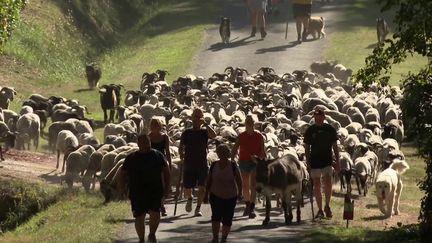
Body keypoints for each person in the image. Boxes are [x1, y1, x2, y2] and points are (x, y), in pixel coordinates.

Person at [121, 134, 170, 243]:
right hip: (137, 191)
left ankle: (152, 234)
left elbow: (166, 172)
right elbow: (122, 174)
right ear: (138, 144)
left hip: (155, 189)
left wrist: (167, 188)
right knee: (139, 216)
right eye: (142, 142)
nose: (145, 144)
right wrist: (122, 189)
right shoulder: (131, 158)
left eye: (147, 141)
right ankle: (141, 239)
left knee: (155, 213)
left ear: (150, 142)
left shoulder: (158, 155)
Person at [179, 108, 217, 216]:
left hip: (202, 162)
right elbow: (181, 146)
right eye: (195, 117)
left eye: (199, 117)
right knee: (187, 186)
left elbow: (214, 135)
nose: (197, 119)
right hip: (189, 161)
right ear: (192, 118)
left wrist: (205, 124)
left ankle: (198, 208)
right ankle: (190, 198)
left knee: (202, 186)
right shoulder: (187, 132)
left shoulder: (205, 132)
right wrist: (181, 153)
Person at [304, 108, 340, 219]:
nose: (318, 119)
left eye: (320, 117)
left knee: (328, 182)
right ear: (314, 118)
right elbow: (307, 147)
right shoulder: (310, 130)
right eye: (316, 117)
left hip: (327, 160)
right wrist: (308, 162)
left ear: (324, 118)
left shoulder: (330, 129)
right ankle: (320, 209)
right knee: (317, 184)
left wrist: (338, 161)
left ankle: (327, 206)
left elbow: (335, 146)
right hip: (315, 161)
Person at [204, 144, 243, 243]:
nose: (222, 154)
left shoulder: (233, 165)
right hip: (215, 194)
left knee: (227, 219)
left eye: (224, 152)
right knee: (216, 217)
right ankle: (215, 238)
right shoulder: (214, 165)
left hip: (230, 196)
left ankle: (224, 238)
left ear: (227, 153)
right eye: (220, 152)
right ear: (217, 154)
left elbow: (239, 180)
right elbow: (209, 180)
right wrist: (205, 194)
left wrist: (240, 193)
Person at [230, 114, 265, 219]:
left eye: (251, 122)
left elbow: (263, 152)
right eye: (247, 122)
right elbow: (235, 148)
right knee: (245, 185)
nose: (249, 124)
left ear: (254, 124)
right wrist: (231, 159)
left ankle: (252, 208)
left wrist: (258, 157)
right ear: (245, 124)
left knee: (252, 185)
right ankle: (248, 204)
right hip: (243, 161)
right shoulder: (241, 136)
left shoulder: (259, 136)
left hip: (254, 162)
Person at [149, 118, 172, 217]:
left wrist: (169, 164)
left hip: (162, 162)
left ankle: (162, 205)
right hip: (151, 162)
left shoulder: (164, 137)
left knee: (163, 184)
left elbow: (167, 151)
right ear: (151, 127)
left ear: (160, 126)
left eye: (157, 126)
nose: (156, 128)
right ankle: (153, 205)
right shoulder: (148, 137)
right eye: (153, 126)